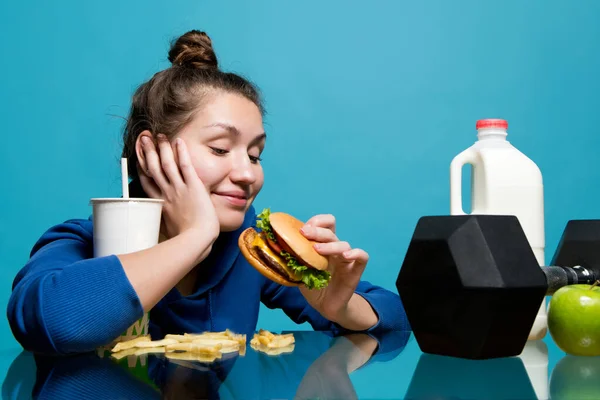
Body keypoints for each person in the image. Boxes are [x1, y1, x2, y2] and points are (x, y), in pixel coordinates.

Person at [7, 30, 410, 355]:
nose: (246, 173)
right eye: (220, 148)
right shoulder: (78, 242)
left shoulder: (250, 248)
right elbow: (51, 320)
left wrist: (339, 305)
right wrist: (194, 237)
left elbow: (395, 315)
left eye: (256, 155)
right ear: (151, 151)